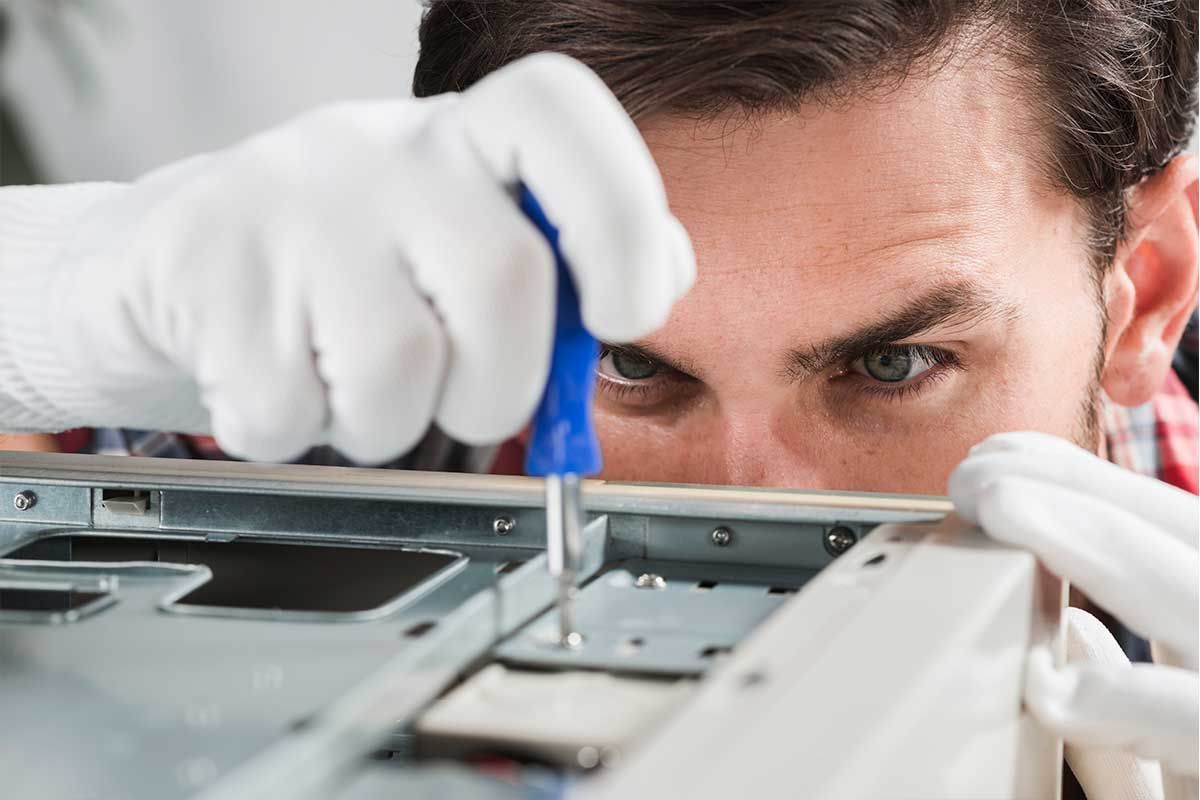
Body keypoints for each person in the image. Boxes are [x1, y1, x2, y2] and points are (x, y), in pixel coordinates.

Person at [0, 2, 1196, 797]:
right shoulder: (365, 416)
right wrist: (48, 294)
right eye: (633, 366)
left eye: (890, 366)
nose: (749, 509)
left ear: (1144, 297)